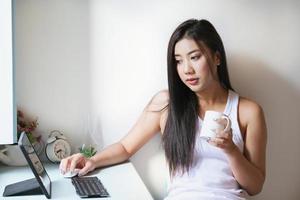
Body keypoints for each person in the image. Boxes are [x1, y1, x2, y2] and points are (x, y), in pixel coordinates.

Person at [60, 19, 267, 200]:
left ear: (216, 58)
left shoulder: (248, 111)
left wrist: (231, 150)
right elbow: (125, 147)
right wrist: (91, 160)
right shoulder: (167, 104)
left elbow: (255, 186)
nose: (187, 69)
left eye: (195, 57)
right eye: (178, 61)